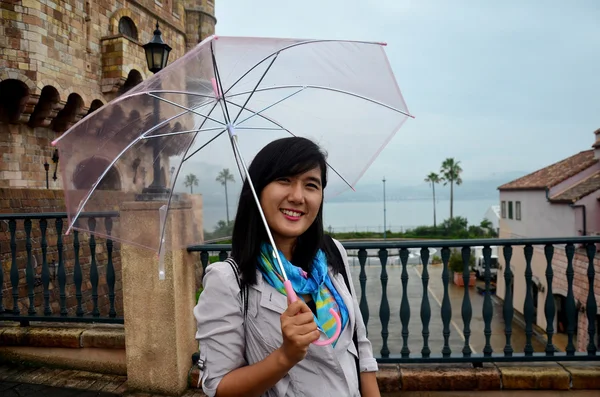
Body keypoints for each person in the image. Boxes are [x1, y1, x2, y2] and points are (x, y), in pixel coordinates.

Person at [193, 137, 380, 397]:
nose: (297, 196)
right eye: (284, 180)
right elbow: (220, 387)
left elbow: (361, 347)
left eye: (311, 185)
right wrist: (285, 356)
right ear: (258, 191)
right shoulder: (228, 280)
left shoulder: (332, 252)